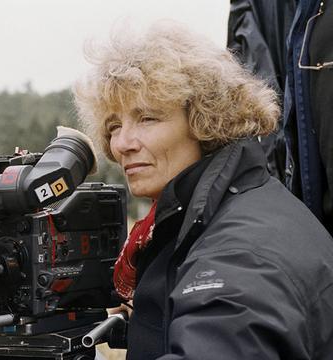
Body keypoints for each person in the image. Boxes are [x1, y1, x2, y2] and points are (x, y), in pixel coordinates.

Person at [75, 21, 333, 359]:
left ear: (205, 118)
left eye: (148, 118)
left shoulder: (240, 257)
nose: (122, 143)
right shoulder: (235, 208)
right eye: (113, 126)